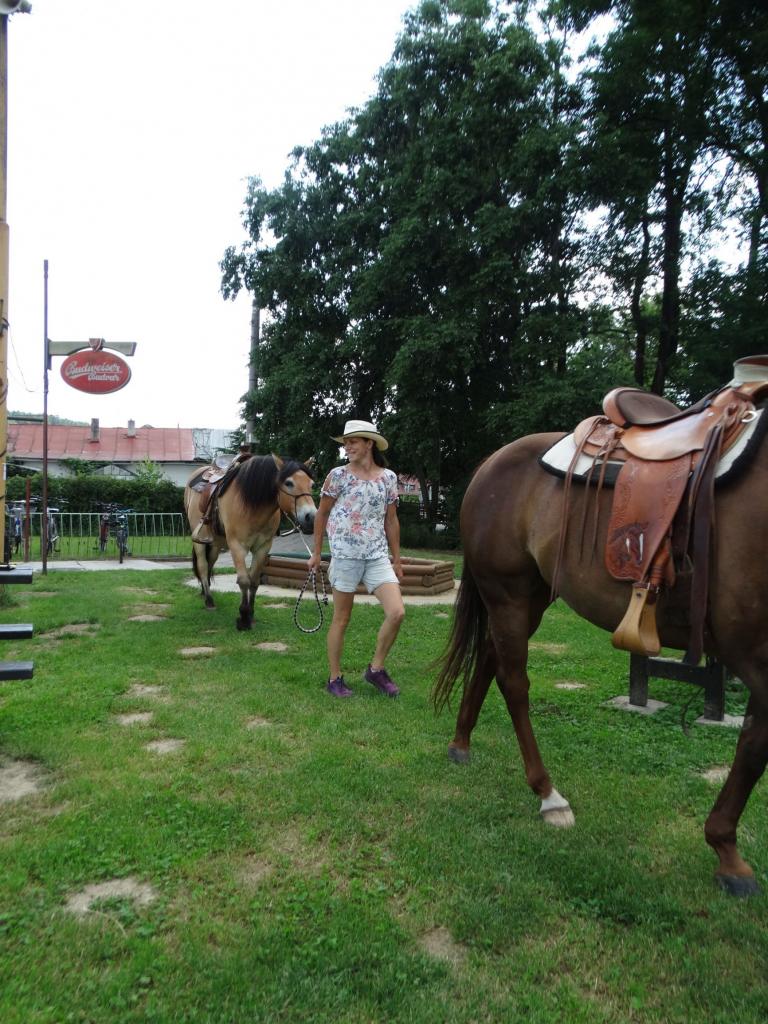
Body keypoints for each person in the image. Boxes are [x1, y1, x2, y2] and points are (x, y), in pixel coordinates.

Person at [308, 419, 405, 698]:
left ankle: (376, 669)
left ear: (369, 443)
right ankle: (335, 678)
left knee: (397, 613)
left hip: (377, 556)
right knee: (341, 618)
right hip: (345, 556)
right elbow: (322, 514)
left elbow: (391, 520)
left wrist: (397, 559)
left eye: (353, 442)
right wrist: (317, 552)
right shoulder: (337, 476)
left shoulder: (388, 478)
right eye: (346, 442)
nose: (347, 446)